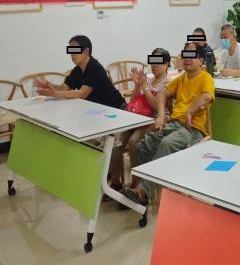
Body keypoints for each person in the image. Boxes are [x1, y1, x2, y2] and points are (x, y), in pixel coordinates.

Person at [126, 42, 215, 205]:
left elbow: (207, 96)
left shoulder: (205, 78)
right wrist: (161, 115)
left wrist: (190, 111)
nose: (187, 59)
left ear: (201, 60)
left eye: (192, 55)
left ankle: (143, 191)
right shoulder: (181, 79)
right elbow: (162, 94)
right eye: (185, 55)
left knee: (166, 144)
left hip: (192, 129)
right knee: (141, 146)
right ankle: (140, 187)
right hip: (174, 125)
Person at [108, 47, 172, 197]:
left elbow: (156, 106)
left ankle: (136, 185)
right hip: (139, 117)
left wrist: (145, 87)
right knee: (117, 138)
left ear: (166, 64)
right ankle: (115, 182)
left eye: (159, 61)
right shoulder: (147, 79)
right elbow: (133, 103)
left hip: (156, 118)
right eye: (153, 61)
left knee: (134, 141)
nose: (154, 65)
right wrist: (137, 86)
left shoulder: (168, 83)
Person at [35, 35, 125, 109]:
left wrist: (55, 93)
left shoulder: (95, 67)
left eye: (75, 50)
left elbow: (82, 94)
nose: (72, 54)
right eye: (70, 50)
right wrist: (50, 86)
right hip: (99, 109)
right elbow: (64, 88)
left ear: (86, 51)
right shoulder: (77, 70)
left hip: (117, 108)